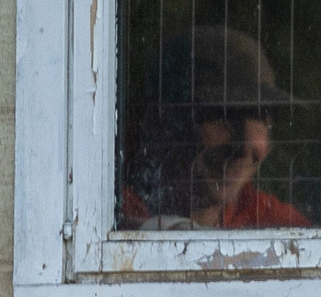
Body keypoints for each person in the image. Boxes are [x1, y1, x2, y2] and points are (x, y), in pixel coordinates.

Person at [120, 25, 310, 230]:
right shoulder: (106, 219)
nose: (245, 147)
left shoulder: (278, 226)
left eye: (261, 121)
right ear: (168, 124)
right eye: (223, 120)